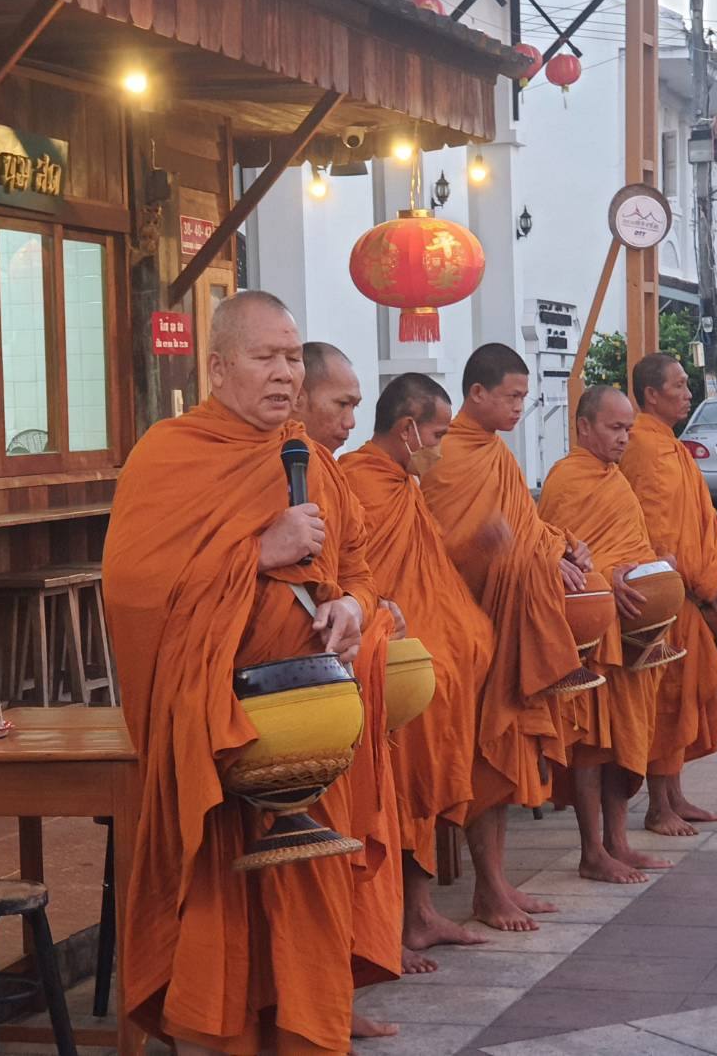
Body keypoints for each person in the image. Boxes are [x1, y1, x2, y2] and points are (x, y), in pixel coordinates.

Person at [102, 291, 388, 1055]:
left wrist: (353, 608)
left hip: (312, 737)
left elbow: (359, 568)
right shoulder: (170, 454)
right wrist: (257, 552)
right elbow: (133, 590)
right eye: (265, 358)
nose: (285, 374)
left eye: (292, 357)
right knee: (221, 911)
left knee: (309, 907)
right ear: (219, 367)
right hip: (220, 738)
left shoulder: (310, 460)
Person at [419, 342, 595, 932]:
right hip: (462, 620)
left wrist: (561, 546)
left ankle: (495, 884)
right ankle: (489, 889)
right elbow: (429, 549)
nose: (522, 406)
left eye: (524, 396)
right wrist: (486, 546)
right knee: (482, 752)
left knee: (501, 752)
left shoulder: (497, 454)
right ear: (477, 393)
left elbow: (525, 526)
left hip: (509, 618)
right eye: (512, 396)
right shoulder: (443, 456)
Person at [340, 373, 497, 967]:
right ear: (408, 430)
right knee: (400, 775)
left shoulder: (404, 487)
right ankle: (393, 921)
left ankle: (422, 912)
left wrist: (478, 544)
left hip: (426, 662)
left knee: (426, 765)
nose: (441, 447)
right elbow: (358, 576)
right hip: (384, 664)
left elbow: (430, 564)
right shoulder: (360, 482)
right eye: (437, 434)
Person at [291, 341, 407, 1040]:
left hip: (335, 682)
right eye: (341, 403)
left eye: (356, 405)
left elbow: (358, 571)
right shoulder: (260, 464)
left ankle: (330, 994)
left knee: (334, 848)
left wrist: (358, 608)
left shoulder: (330, 474)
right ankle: (293, 1004)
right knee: (299, 858)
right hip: (280, 699)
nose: (351, 419)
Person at [538, 386, 675, 883]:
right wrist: (607, 577)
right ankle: (592, 850)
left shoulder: (616, 480)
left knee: (626, 738)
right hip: (594, 634)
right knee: (592, 743)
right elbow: (561, 560)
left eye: (628, 429)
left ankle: (619, 842)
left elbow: (631, 544)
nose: (623, 438)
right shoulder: (566, 480)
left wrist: (654, 569)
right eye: (615, 428)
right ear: (584, 427)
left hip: (634, 632)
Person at [620, 353, 717, 836]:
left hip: (690, 589)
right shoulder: (643, 446)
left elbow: (698, 515)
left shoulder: (670, 445)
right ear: (651, 394)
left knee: (683, 697)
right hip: (668, 591)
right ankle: (659, 807)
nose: (688, 393)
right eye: (678, 385)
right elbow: (658, 534)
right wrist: (703, 582)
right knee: (668, 696)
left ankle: (675, 797)